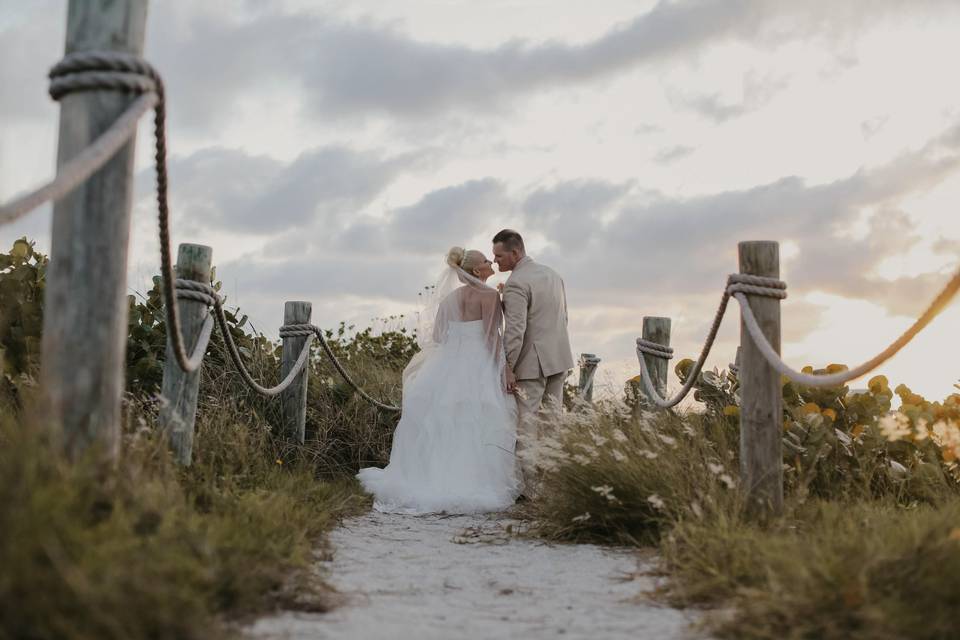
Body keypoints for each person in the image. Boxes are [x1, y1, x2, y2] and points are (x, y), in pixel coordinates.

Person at [357, 247, 520, 514]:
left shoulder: (450, 300)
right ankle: (468, 480)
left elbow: (439, 337)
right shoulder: (490, 296)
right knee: (477, 420)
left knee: (442, 420)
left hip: (448, 364)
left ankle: (430, 478)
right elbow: (492, 337)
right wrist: (505, 370)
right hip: (478, 361)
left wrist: (459, 341)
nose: (491, 262)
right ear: (478, 270)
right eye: (486, 260)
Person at [492, 229, 574, 496]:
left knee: (526, 426)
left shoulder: (517, 283)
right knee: (553, 424)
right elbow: (563, 318)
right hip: (558, 357)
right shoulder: (553, 274)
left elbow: (515, 331)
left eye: (499, 256)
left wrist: (508, 366)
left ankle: (530, 490)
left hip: (531, 364)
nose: (496, 262)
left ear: (515, 253)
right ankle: (554, 485)